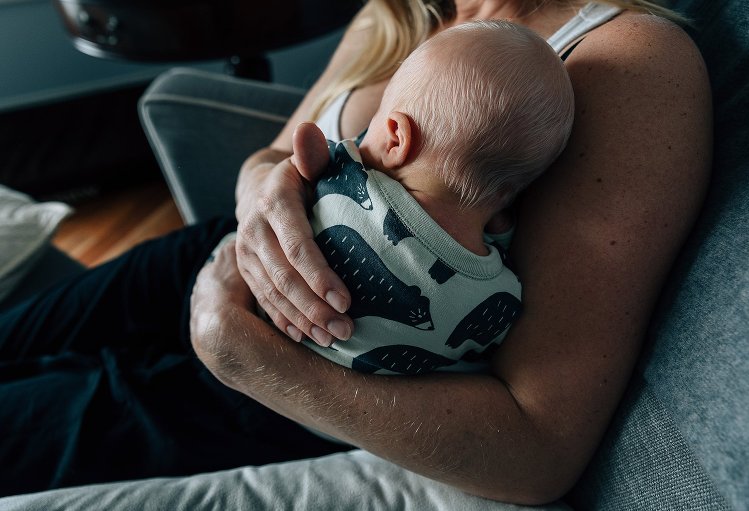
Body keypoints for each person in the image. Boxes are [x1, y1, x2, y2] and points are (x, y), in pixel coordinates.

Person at [0, 0, 712, 505]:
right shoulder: (401, 10)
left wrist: (239, 354)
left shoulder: (625, 58)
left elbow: (540, 450)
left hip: (279, 383)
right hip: (207, 254)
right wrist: (263, 191)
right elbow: (278, 150)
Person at [213, 20, 574, 375]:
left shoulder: (348, 175)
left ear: (396, 137)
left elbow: (297, 162)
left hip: (247, 303)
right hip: (326, 412)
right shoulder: (503, 293)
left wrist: (297, 167)